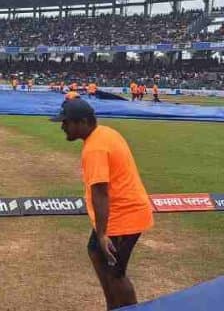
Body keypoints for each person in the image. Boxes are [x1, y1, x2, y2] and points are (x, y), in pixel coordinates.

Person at [51, 99, 153, 310]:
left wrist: (103, 233)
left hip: (123, 216)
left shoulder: (95, 149)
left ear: (84, 122)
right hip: (118, 214)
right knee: (96, 253)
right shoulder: (105, 133)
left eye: (66, 122)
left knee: (116, 273)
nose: (62, 126)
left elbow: (100, 193)